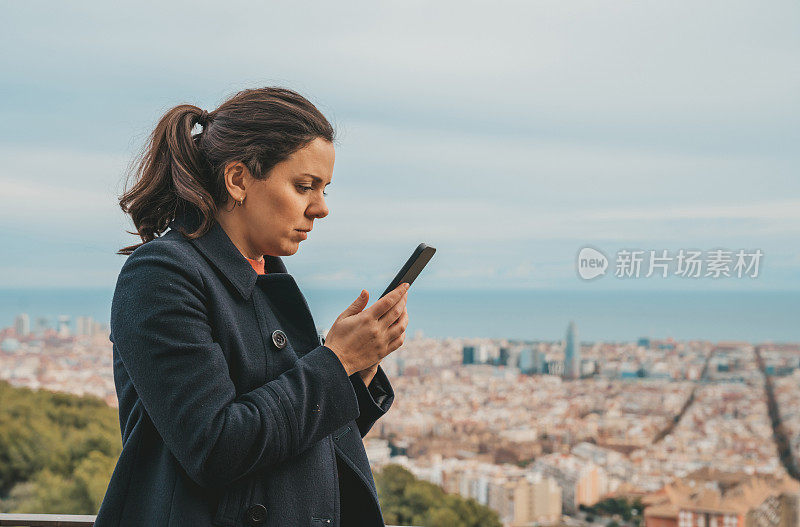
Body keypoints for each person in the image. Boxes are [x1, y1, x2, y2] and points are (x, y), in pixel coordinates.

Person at [95, 87, 409, 527]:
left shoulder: (267, 278)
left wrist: (357, 372)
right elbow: (216, 447)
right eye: (304, 187)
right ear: (238, 179)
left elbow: (293, 439)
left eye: (324, 189)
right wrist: (336, 362)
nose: (320, 208)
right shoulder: (160, 275)